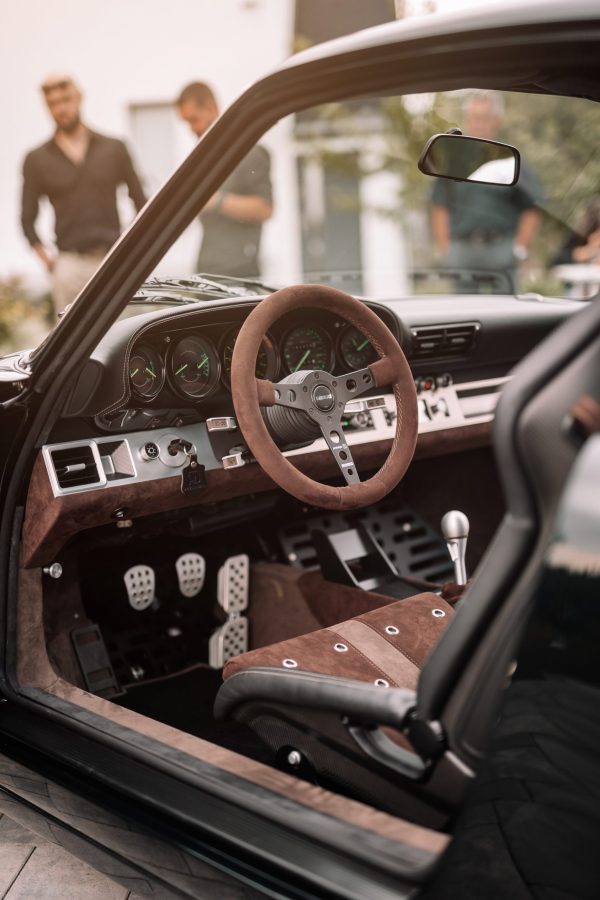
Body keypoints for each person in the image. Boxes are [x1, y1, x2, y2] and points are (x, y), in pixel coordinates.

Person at [21, 74, 147, 317]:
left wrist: (129, 249)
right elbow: (27, 219)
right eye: (52, 103)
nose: (61, 108)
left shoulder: (115, 148)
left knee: (123, 335)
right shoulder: (37, 159)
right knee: (70, 349)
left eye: (65, 99)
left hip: (113, 259)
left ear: (79, 97)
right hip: (69, 265)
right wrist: (51, 264)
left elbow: (141, 202)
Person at [430, 90, 544, 292]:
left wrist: (519, 248)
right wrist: (446, 249)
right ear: (467, 120)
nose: (479, 124)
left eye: (485, 118)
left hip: (500, 248)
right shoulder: (453, 160)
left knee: (506, 315)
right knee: (462, 315)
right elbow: (440, 205)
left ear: (497, 121)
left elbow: (532, 205)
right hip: (462, 250)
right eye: (474, 118)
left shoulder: (510, 159)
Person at [176, 82, 273, 278]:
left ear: (211, 107)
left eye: (194, 120)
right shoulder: (202, 159)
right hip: (206, 272)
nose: (192, 129)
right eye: (186, 122)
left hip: (241, 275)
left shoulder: (250, 152)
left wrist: (216, 200)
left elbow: (265, 208)